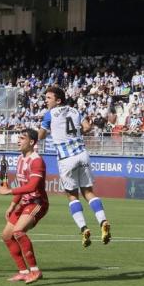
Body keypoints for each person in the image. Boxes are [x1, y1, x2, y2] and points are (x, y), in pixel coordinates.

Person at [38, 86, 111, 247]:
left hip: (66, 158)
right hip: (82, 154)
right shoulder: (75, 111)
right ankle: (103, 221)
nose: (46, 100)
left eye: (49, 98)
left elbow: (40, 136)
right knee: (89, 192)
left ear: (58, 100)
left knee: (72, 196)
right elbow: (87, 127)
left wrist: (51, 131)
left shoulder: (49, 114)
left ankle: (84, 228)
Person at [0, 129, 47, 284]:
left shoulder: (37, 161)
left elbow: (32, 186)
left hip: (38, 203)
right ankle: (23, 272)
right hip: (24, 202)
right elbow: (23, 185)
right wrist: (12, 204)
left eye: (22, 138)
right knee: (6, 235)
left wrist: (9, 191)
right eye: (18, 138)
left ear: (31, 142)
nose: (18, 141)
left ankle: (35, 271)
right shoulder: (20, 159)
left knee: (18, 231)